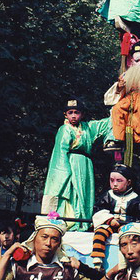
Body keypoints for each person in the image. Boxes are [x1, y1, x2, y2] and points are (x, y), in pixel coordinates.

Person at [41, 98, 111, 231]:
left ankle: (84, 222)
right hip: (70, 164)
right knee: (73, 192)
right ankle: (72, 223)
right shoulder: (64, 129)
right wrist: (64, 174)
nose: (73, 116)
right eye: (70, 112)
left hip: (85, 164)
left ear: (82, 114)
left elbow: (106, 123)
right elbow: (60, 152)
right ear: (65, 114)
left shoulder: (87, 128)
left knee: (84, 193)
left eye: (77, 112)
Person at [91, 163, 140, 269]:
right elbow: (98, 210)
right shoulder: (108, 195)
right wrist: (109, 219)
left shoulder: (134, 198)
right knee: (100, 232)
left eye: (119, 181)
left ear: (129, 182)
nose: (114, 184)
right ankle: (97, 260)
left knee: (127, 239)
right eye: (112, 180)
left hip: (126, 226)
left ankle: (125, 263)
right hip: (109, 224)